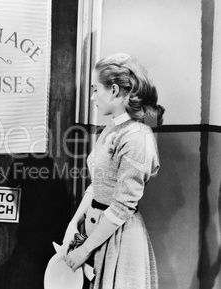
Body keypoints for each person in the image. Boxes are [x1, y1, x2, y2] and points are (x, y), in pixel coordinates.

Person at [61, 53, 165, 289]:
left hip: (119, 238)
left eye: (95, 89)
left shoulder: (138, 136)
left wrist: (85, 250)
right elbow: (97, 185)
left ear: (115, 90)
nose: (92, 97)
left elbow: (122, 206)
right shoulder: (111, 129)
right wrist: (73, 223)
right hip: (96, 231)